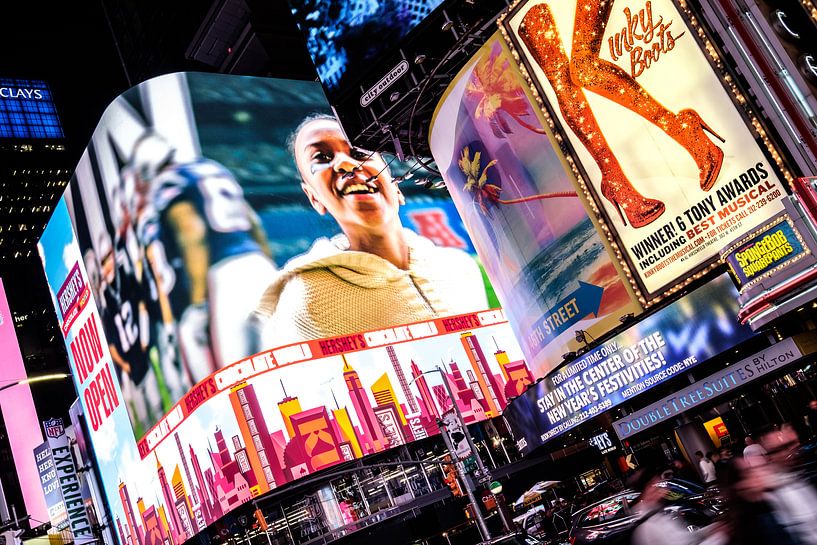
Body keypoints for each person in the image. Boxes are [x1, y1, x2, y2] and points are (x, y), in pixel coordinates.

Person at [255, 115, 488, 344]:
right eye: (321, 157)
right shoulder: (305, 301)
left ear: (395, 184)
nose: (345, 163)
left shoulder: (461, 268)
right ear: (314, 198)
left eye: (358, 152)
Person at [125, 132, 277, 380]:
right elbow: (254, 224)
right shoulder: (209, 168)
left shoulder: (169, 182)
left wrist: (198, 301)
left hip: (226, 276)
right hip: (259, 263)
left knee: (240, 376)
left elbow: (192, 234)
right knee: (279, 356)